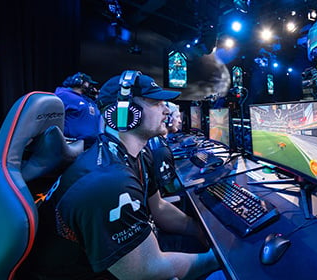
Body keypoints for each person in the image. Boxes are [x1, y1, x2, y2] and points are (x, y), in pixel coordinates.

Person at [20, 71, 220, 279]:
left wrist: (200, 231)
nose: (165, 111)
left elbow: (159, 209)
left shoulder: (139, 155)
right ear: (123, 113)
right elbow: (146, 271)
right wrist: (221, 257)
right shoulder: (109, 182)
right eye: (155, 103)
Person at [55, 72, 103, 149]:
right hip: (74, 145)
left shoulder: (86, 99)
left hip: (92, 144)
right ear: (80, 82)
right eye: (88, 84)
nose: (90, 87)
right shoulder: (63, 95)